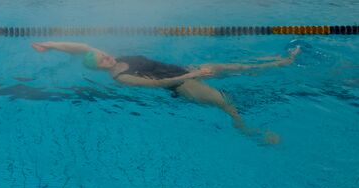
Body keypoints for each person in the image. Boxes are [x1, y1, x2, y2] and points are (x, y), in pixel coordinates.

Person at [32, 41, 301, 144]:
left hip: (185, 70)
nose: (106, 57)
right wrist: (191, 76)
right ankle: (252, 133)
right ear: (101, 68)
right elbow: (156, 85)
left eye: (104, 54)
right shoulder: (121, 77)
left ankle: (280, 62)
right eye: (101, 60)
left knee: (233, 67)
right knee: (226, 104)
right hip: (182, 85)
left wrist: (50, 44)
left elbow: (80, 47)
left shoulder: (119, 55)